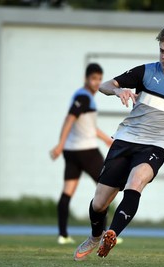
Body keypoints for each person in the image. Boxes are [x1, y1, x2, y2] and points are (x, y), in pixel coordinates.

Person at [73, 26, 164, 261]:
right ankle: (95, 235)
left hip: (155, 145)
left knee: (136, 181)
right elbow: (105, 85)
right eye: (162, 50)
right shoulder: (145, 72)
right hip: (126, 139)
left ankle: (112, 233)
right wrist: (118, 90)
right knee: (100, 202)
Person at [50, 63, 113, 245]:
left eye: (99, 79)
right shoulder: (83, 97)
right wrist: (59, 144)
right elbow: (69, 119)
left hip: (72, 152)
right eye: (93, 79)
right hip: (86, 151)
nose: (96, 83)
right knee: (106, 189)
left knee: (67, 192)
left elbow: (89, 127)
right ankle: (105, 234)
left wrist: (105, 139)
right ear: (86, 79)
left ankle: (63, 235)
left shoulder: (84, 97)